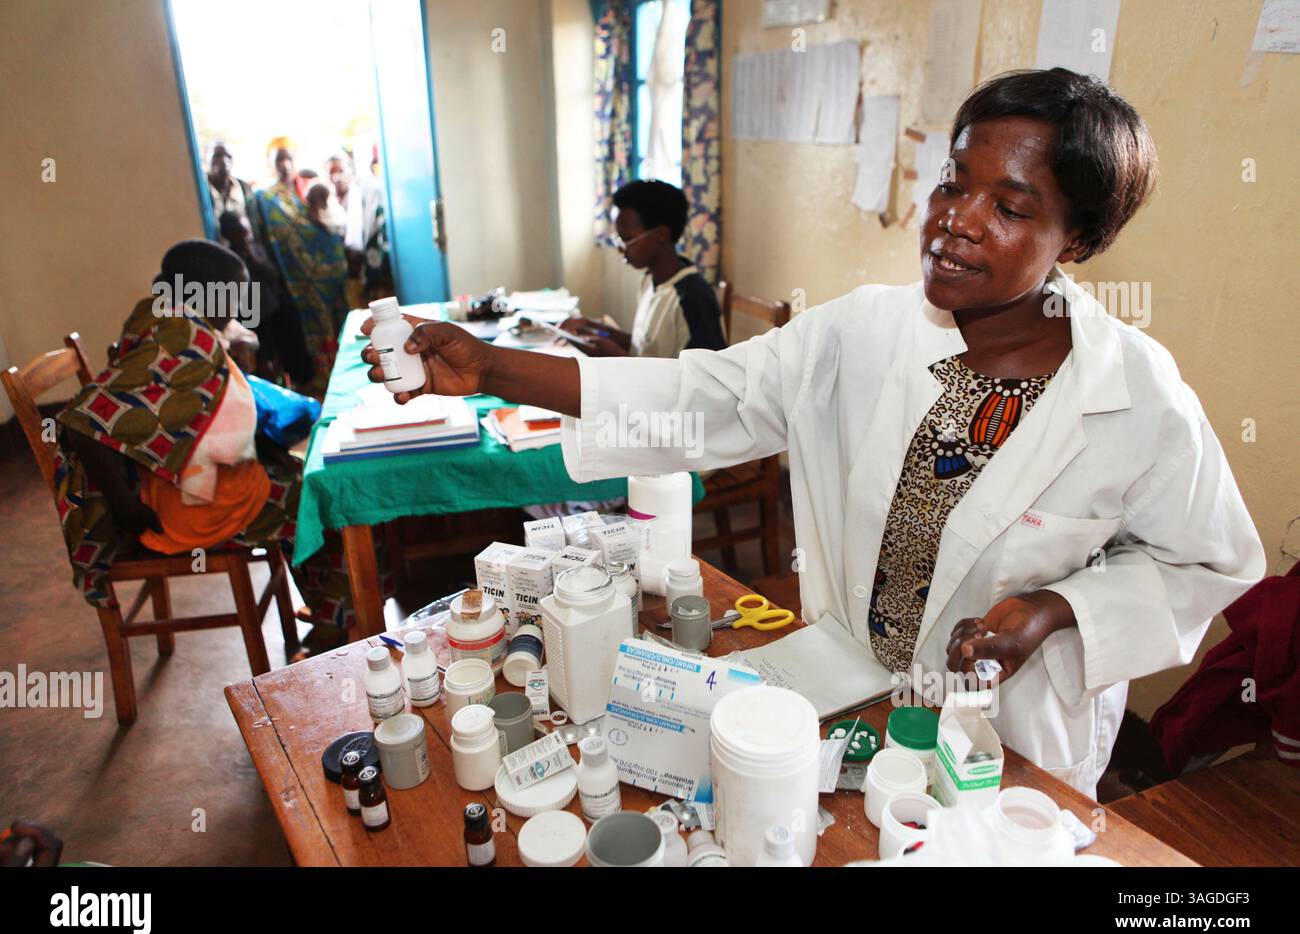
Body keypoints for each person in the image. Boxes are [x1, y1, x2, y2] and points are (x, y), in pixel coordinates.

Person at [360, 69, 1265, 797]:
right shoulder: (867, 330)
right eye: (954, 181)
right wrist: (494, 370)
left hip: (1005, 739)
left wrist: (1059, 609)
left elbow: (1208, 561)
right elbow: (703, 395)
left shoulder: (1135, 398)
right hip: (846, 678)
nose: (956, 217)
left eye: (1012, 207)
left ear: (1079, 239)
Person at [55, 240, 385, 655]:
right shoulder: (181, 337)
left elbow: (171, 404)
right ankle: (335, 629)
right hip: (179, 508)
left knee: (300, 478)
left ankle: (329, 610)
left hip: (174, 485)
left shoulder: (159, 317)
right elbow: (86, 421)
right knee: (327, 501)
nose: (240, 305)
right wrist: (126, 509)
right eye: (233, 294)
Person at [562, 179, 725, 358]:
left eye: (627, 239)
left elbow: (701, 380)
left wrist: (617, 357)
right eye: (619, 238)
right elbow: (645, 348)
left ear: (660, 235)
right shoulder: (649, 281)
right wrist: (594, 329)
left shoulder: (694, 300)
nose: (620, 248)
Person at [251, 140, 349, 396]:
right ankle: (313, 384)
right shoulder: (264, 197)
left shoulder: (303, 191)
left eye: (288, 159)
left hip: (318, 278)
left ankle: (333, 377)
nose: (284, 165)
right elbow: (266, 237)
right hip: (288, 280)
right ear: (270, 163)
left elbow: (318, 225)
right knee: (298, 337)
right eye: (278, 159)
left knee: (327, 324)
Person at [219, 211, 314, 387]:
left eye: (246, 231)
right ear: (229, 234)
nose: (246, 236)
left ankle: (290, 384)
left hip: (272, 308)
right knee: (263, 357)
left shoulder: (257, 249)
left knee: (286, 352)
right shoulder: (229, 259)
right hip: (251, 314)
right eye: (240, 232)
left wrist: (253, 258)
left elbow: (272, 274)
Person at [206, 142, 256, 237]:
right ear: (206, 159)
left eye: (228, 157)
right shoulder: (202, 191)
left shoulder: (244, 189)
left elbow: (254, 228)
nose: (224, 161)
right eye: (217, 156)